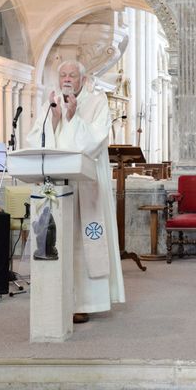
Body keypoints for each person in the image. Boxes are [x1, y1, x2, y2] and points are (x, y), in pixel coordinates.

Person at [26, 60, 125, 324]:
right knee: (59, 238)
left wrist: (73, 117)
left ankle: (84, 302)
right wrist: (55, 121)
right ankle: (60, 299)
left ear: (82, 79)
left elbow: (95, 139)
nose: (67, 78)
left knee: (84, 240)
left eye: (72, 75)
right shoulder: (53, 100)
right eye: (63, 74)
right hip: (59, 183)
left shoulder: (97, 100)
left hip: (86, 183)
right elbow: (36, 137)